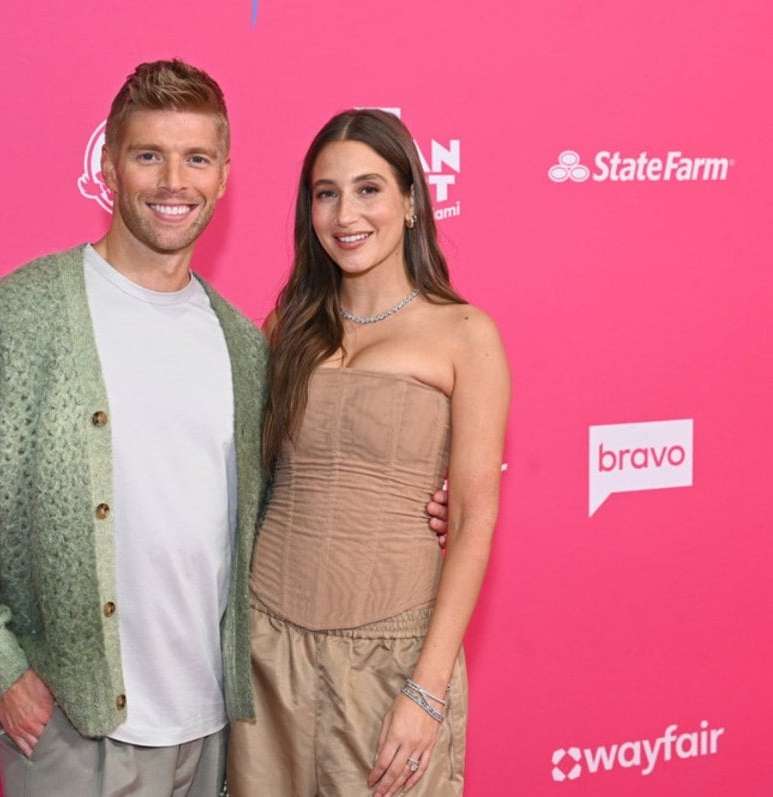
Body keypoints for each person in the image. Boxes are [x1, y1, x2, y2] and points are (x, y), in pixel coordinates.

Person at [0, 61, 451, 797]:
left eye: (196, 159)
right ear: (108, 166)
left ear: (224, 176)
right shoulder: (13, 320)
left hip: (221, 729)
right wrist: (1, 669)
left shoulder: (246, 345)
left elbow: (287, 491)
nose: (173, 182)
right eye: (149, 155)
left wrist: (412, 506)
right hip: (74, 729)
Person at [227, 109, 510, 797]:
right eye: (326, 193)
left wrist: (427, 690)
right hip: (267, 651)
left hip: (391, 661)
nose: (345, 214)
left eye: (368, 189)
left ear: (411, 201)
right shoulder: (287, 328)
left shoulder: (465, 335)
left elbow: (472, 520)